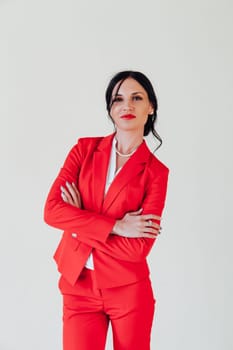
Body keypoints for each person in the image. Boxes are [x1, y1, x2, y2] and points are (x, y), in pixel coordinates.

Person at [44, 70, 169, 350]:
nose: (127, 105)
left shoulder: (156, 173)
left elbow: (137, 249)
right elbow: (52, 211)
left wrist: (78, 224)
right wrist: (117, 226)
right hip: (78, 285)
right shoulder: (84, 150)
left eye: (137, 98)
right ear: (110, 109)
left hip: (128, 292)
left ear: (150, 107)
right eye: (118, 99)